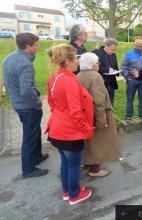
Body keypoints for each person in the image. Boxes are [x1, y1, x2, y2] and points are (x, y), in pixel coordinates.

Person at [46, 44, 94, 205]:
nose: (78, 62)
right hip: (70, 132)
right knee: (73, 164)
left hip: (56, 129)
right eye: (76, 59)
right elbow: (75, 111)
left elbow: (51, 103)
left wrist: (61, 116)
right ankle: (74, 195)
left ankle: (68, 191)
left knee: (66, 162)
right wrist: (85, 129)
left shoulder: (55, 77)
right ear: (68, 61)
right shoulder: (70, 80)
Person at [3, 32, 49, 179]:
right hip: (28, 106)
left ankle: (37, 156)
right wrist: (37, 102)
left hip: (18, 103)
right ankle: (28, 170)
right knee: (29, 136)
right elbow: (26, 90)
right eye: (36, 45)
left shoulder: (9, 58)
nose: (38, 47)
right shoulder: (25, 64)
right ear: (28, 46)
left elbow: (8, 83)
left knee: (34, 131)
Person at [77, 53, 121, 177]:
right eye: (97, 63)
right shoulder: (95, 76)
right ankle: (94, 169)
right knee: (97, 142)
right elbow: (98, 101)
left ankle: (86, 163)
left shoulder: (78, 76)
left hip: (84, 114)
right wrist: (102, 120)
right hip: (95, 114)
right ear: (92, 65)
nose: (99, 65)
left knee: (87, 142)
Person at [121, 39, 142, 120]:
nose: (140, 48)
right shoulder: (128, 54)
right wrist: (128, 77)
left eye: (141, 46)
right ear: (134, 45)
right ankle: (129, 115)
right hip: (132, 80)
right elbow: (123, 67)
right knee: (130, 98)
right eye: (138, 46)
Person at [92, 38, 119, 106]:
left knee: (110, 104)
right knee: (101, 105)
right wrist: (107, 70)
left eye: (114, 49)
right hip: (101, 83)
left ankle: (109, 116)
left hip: (111, 83)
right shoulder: (96, 52)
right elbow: (93, 67)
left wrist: (116, 71)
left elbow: (115, 66)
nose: (113, 51)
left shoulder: (113, 54)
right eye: (112, 49)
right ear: (106, 46)